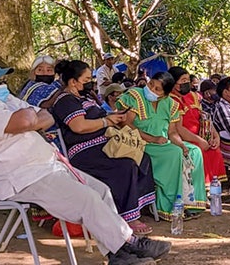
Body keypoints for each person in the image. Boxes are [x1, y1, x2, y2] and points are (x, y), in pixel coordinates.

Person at [0, 60, 168, 263]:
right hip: (23, 177)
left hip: (49, 167)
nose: (2, 85)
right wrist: (30, 119)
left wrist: (30, 120)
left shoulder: (6, 102)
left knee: (102, 190)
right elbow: (27, 119)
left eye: (2, 80)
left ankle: (117, 254)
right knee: (88, 198)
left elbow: (47, 117)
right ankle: (128, 243)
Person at [50, 60, 156, 230]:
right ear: (73, 82)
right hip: (85, 151)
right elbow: (79, 126)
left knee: (142, 157)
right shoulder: (65, 100)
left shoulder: (84, 98)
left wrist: (114, 116)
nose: (90, 82)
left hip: (105, 144)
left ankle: (136, 208)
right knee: (125, 166)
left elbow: (98, 118)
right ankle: (127, 216)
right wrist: (107, 121)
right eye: (86, 80)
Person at [118, 71, 206, 215]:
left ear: (165, 94)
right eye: (151, 84)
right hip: (138, 143)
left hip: (162, 143)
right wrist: (152, 139)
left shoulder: (170, 104)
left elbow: (172, 133)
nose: (151, 89)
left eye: (157, 89)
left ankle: (191, 202)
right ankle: (168, 206)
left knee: (194, 151)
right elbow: (125, 125)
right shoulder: (134, 95)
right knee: (173, 153)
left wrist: (182, 145)